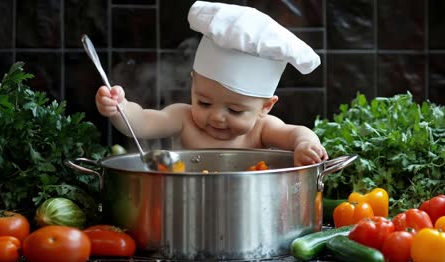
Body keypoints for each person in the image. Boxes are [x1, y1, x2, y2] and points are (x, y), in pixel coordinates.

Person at [95, 1, 328, 166]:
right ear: (193, 84)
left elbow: (298, 133)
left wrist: (306, 145)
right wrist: (120, 108)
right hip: (188, 204)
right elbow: (142, 122)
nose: (217, 116)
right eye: (204, 102)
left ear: (265, 107)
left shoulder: (264, 128)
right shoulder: (183, 118)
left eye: (235, 110)